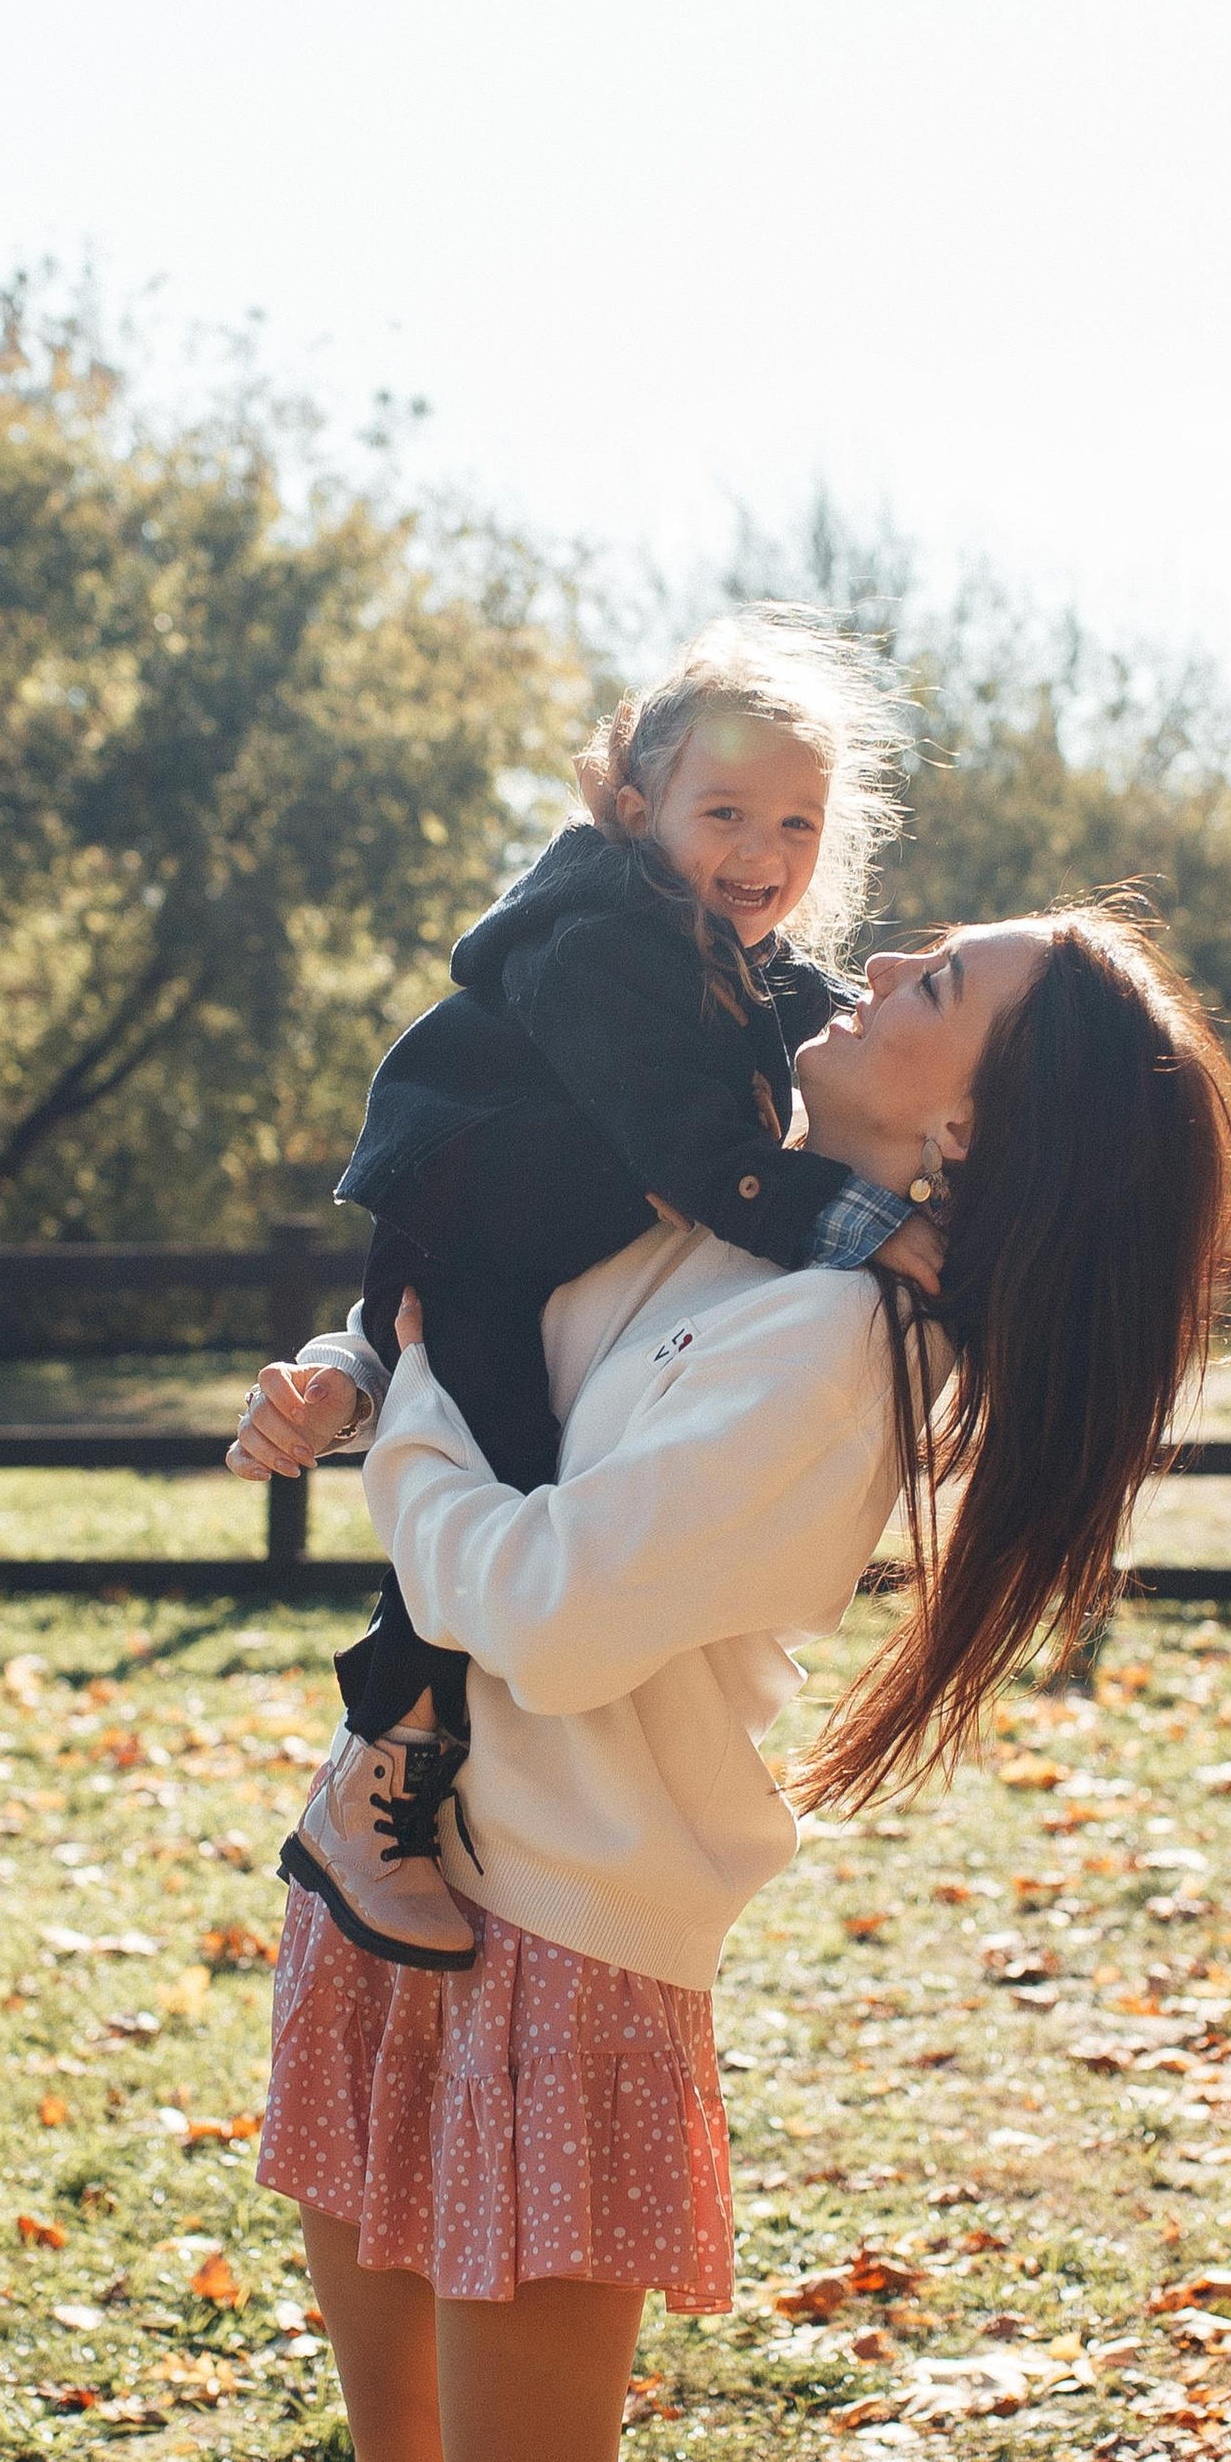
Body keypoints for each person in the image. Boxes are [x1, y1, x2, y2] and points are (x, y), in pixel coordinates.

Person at [226, 896, 1231, 2462]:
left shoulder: (835, 1356)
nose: (864, 979)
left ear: (974, 1125)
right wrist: (345, 1359)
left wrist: (394, 1449)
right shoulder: (710, 1199)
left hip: (570, 1945)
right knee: (401, 2449)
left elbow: (552, 1591)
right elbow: (476, 1321)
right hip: (397, 1867)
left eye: (927, 993)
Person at [279, 608, 947, 1978]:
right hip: (467, 1231)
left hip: (540, 1234)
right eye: (726, 815)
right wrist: (869, 1223)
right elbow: (700, 1156)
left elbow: (814, 1043)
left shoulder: (736, 955)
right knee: (504, 1478)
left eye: (797, 828)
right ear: (636, 805)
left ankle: (414, 1776)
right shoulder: (597, 944)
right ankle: (378, 1782)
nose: (762, 858)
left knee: (531, 1480)